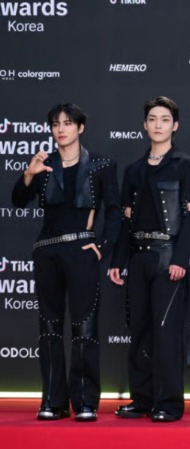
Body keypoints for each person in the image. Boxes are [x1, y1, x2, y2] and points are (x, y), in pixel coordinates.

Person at [11, 103, 120, 421]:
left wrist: (101, 246)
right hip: (47, 252)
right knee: (49, 328)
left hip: (81, 251)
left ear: (80, 128)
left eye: (68, 123)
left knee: (85, 327)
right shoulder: (44, 165)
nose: (61, 129)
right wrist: (28, 174)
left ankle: (85, 401)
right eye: (56, 124)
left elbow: (114, 211)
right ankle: (52, 400)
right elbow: (18, 200)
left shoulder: (101, 165)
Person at [109, 96, 190, 422]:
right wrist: (117, 261)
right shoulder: (133, 170)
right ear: (144, 125)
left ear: (175, 125)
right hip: (138, 258)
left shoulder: (188, 166)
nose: (158, 125)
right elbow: (125, 220)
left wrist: (181, 259)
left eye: (164, 119)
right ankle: (142, 399)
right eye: (152, 119)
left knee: (167, 333)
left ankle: (169, 403)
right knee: (140, 331)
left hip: (169, 258)